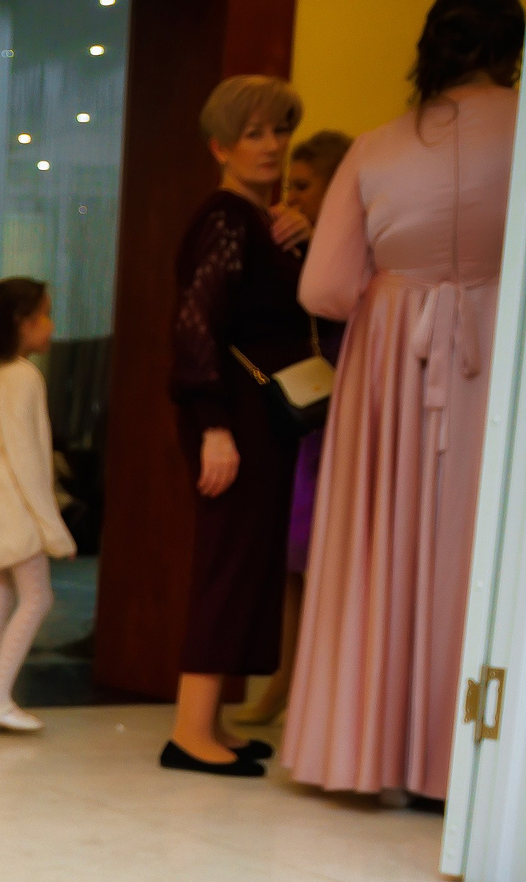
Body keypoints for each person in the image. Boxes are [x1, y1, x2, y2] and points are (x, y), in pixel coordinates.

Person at [283, 0, 524, 801]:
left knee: (378, 542)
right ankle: (462, 763)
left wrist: (394, 295)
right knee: (483, 542)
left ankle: (365, 753)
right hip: (502, 346)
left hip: (393, 356)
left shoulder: (376, 146)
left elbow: (321, 287)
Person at [165, 74, 316, 777]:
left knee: (246, 563)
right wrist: (214, 425)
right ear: (221, 144)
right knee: (230, 565)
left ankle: (210, 722)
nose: (271, 145)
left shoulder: (263, 221)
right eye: (253, 133)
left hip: (257, 422)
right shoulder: (228, 219)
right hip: (236, 420)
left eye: (279, 131)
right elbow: (195, 323)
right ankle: (192, 731)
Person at [239, 129, 352, 728]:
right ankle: (284, 681)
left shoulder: (360, 243)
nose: (294, 198)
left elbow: (343, 307)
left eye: (304, 186)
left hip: (348, 411)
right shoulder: (292, 242)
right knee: (294, 555)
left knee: (327, 557)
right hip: (307, 413)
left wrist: (319, 249)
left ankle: (307, 688)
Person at [0, 276, 76, 733]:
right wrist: (54, 529)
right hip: (17, 514)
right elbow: (30, 463)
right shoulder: (25, 377)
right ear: (22, 324)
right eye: (45, 315)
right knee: (37, 597)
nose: (51, 325)